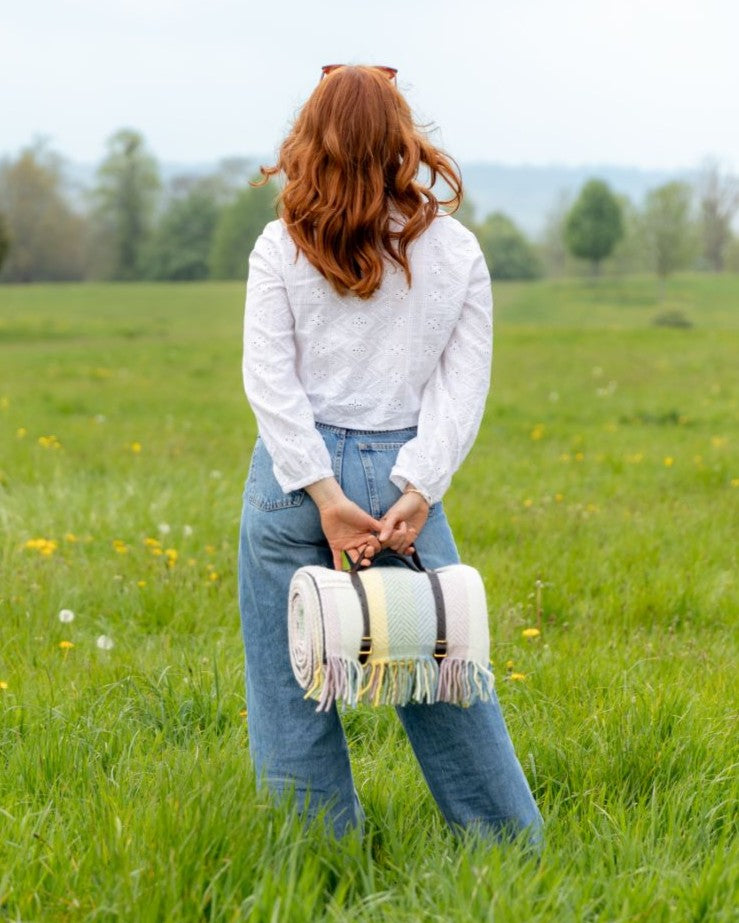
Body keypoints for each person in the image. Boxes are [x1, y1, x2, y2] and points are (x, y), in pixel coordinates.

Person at [238, 63, 543, 846]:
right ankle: (508, 850)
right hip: (400, 475)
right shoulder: (456, 249)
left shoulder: (280, 244)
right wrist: (418, 486)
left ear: (314, 141)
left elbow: (270, 381)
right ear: (401, 143)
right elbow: (461, 384)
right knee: (442, 667)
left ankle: (316, 860)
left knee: (290, 682)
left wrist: (321, 492)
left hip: (291, 480)